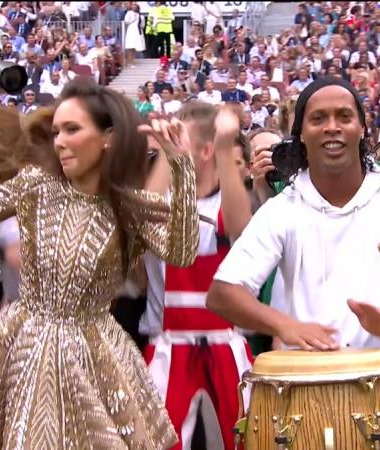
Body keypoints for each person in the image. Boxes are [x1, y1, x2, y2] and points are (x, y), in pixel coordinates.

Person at [0, 77, 200, 450]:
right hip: (24, 349)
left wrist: (182, 167)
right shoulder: (34, 186)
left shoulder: (129, 206)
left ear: (108, 138)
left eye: (72, 129)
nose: (60, 142)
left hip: (93, 358)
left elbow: (182, 253)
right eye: (56, 132)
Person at [206, 77, 380, 410]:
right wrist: (285, 326)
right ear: (301, 134)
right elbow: (223, 293)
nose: (332, 127)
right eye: (318, 118)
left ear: (362, 129)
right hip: (303, 402)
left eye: (344, 116)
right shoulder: (283, 208)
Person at [141, 103, 253, 450]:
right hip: (169, 346)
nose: (172, 141)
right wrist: (167, 153)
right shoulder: (163, 202)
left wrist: (225, 147)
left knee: (246, 440)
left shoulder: (227, 204)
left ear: (206, 151)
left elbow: (241, 230)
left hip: (225, 346)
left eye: (180, 137)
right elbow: (144, 217)